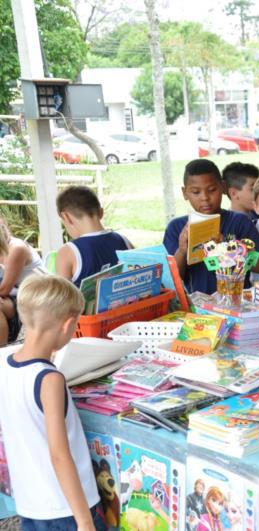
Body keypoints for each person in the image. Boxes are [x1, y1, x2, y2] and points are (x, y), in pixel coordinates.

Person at [0, 275, 106, 531]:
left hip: (31, 504)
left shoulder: (5, 365)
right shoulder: (50, 379)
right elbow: (59, 455)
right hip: (67, 508)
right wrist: (83, 520)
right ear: (68, 325)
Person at [163, 159, 259, 294]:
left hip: (236, 301)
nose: (204, 197)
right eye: (195, 192)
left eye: (212, 190)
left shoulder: (239, 221)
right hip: (198, 307)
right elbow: (170, 280)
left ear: (223, 187)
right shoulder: (176, 228)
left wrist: (230, 250)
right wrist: (182, 251)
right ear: (185, 193)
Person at [55, 186, 132, 287]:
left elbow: (60, 299)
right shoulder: (124, 241)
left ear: (66, 217)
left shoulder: (67, 252)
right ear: (101, 212)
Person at [0, 218, 45, 345]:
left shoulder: (16, 249)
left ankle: (2, 353)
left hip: (37, 296)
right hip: (17, 296)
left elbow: (4, 289)